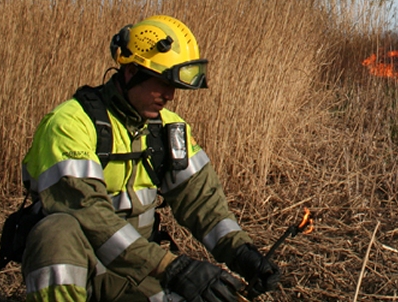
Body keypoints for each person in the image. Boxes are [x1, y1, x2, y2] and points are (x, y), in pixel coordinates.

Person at [19, 15, 280, 302]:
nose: (170, 95)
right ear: (131, 71)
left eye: (175, 86)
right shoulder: (69, 124)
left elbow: (204, 202)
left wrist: (242, 253)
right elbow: (87, 213)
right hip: (87, 266)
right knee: (55, 232)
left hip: (136, 270)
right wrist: (173, 268)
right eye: (161, 82)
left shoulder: (169, 129)